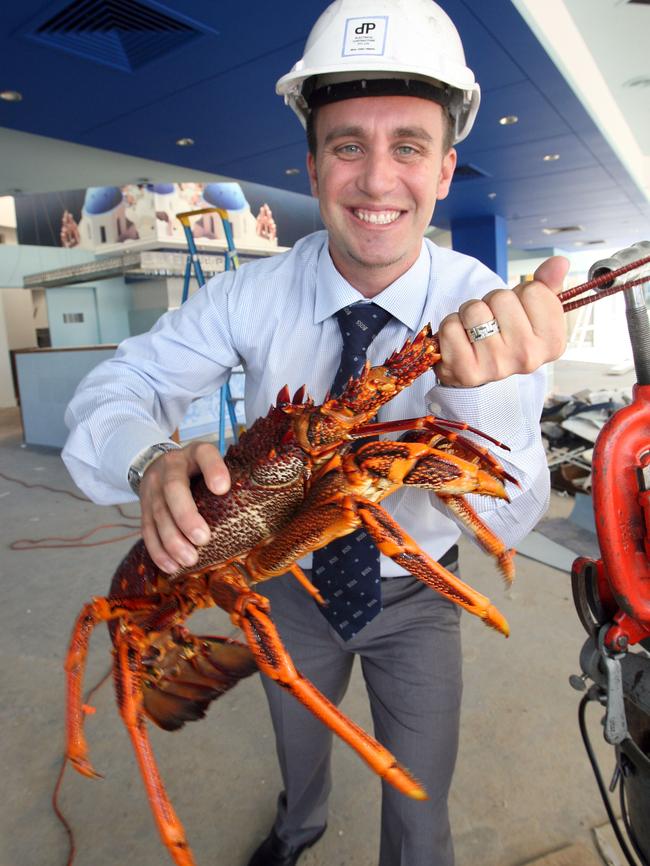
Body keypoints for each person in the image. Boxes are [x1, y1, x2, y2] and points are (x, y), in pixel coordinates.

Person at [62, 1, 569, 864]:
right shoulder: (250, 295)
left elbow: (515, 513)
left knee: (420, 788)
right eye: (348, 146)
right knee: (299, 757)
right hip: (281, 589)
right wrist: (149, 460)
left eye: (408, 146)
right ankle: (295, 832)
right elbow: (115, 390)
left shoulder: (490, 308)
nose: (377, 180)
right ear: (312, 165)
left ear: (446, 170)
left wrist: (484, 397)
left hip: (419, 595)